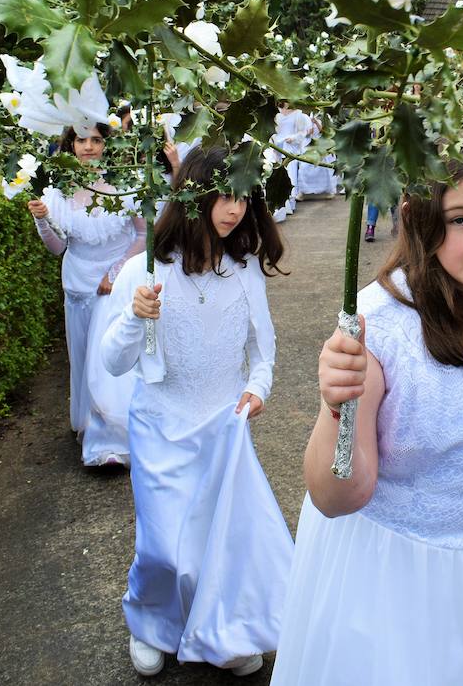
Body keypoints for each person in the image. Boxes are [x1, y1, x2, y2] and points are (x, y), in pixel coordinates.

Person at [271, 135, 463, 686]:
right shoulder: (378, 326)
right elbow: (337, 497)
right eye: (459, 220)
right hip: (387, 579)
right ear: (417, 220)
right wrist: (335, 408)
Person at [99, 144, 293, 678]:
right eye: (224, 195)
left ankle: (225, 630)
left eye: (243, 198)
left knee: (223, 538)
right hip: (161, 423)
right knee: (165, 547)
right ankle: (151, 624)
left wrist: (259, 388)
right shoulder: (148, 269)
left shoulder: (245, 268)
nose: (234, 209)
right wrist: (135, 316)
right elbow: (114, 362)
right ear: (195, 194)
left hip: (222, 426)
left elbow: (262, 349)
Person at [28, 123, 146, 466]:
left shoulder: (125, 184)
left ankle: (109, 438)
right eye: (82, 140)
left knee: (106, 361)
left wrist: (116, 272)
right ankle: (88, 420)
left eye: (96, 140)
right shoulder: (56, 192)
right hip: (78, 284)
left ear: (106, 145)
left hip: (115, 284)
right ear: (71, 145)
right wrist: (42, 221)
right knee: (81, 358)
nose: (89, 147)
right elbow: (58, 247)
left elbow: (142, 235)